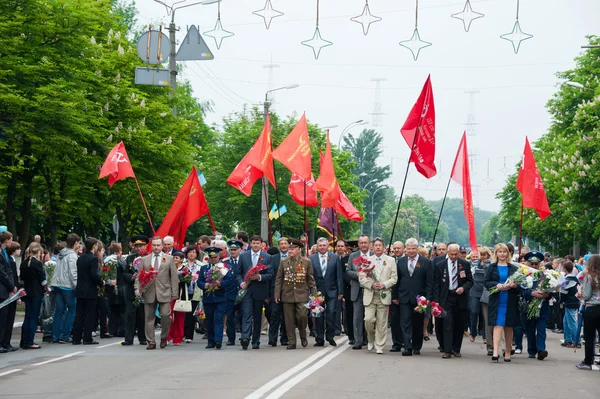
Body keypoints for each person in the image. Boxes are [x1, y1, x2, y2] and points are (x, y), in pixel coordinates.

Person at [135, 236, 178, 350]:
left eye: (158, 245)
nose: (156, 247)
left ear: (162, 246)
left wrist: (175, 293)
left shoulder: (169, 258)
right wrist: (137, 288)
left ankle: (164, 337)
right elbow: (139, 276)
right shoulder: (145, 259)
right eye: (154, 245)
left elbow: (174, 277)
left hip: (165, 291)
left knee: (165, 315)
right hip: (149, 291)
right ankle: (151, 341)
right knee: (149, 317)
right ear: (151, 246)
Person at [274, 238, 316, 350]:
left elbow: (311, 279)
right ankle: (292, 342)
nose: (290, 250)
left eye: (292, 249)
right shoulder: (283, 262)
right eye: (289, 248)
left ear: (298, 249)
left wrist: (315, 295)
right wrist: (277, 294)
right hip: (287, 294)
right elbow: (279, 278)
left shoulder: (306, 261)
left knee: (302, 316)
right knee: (289, 320)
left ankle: (303, 335)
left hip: (302, 294)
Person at [393, 238, 433, 356]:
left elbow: (429, 282)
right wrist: (395, 296)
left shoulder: (426, 262)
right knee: (405, 322)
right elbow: (397, 280)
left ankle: (416, 346)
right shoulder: (400, 262)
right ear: (405, 249)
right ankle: (407, 347)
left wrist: (429, 297)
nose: (411, 251)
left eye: (413, 249)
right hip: (403, 297)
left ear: (417, 249)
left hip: (420, 299)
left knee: (418, 323)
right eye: (409, 249)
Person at [433, 243, 473, 359]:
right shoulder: (441, 265)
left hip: (460, 297)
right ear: (448, 253)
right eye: (452, 254)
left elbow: (470, 281)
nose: (454, 256)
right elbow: (437, 284)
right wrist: (436, 301)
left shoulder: (464, 264)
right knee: (447, 324)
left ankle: (456, 349)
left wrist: (463, 288)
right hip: (446, 297)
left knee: (459, 324)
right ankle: (447, 350)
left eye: (456, 254)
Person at [359, 238, 397, 354]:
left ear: (384, 247)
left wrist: (384, 284)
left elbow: (394, 278)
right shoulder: (367, 260)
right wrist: (371, 284)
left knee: (382, 322)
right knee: (368, 320)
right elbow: (361, 277)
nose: (378, 247)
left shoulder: (390, 260)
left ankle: (380, 345)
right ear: (372, 247)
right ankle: (371, 338)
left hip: (384, 295)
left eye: (380, 245)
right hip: (370, 294)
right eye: (376, 245)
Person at [483, 244, 519, 362]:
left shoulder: (513, 268)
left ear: (507, 253)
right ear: (496, 253)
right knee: (497, 325)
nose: (502, 254)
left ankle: (507, 351)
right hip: (496, 299)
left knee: (508, 327)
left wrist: (514, 285)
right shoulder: (491, 267)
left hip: (510, 300)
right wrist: (496, 285)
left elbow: (520, 286)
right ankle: (495, 351)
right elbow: (486, 283)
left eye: (504, 252)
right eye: (500, 252)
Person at [236, 235, 272, 350]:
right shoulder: (243, 256)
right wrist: (241, 282)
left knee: (257, 317)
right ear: (250, 244)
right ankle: (245, 338)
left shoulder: (267, 257)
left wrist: (260, 277)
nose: (256, 245)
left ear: (261, 244)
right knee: (246, 314)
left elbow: (270, 274)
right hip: (247, 290)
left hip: (260, 291)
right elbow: (238, 273)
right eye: (254, 243)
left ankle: (255, 341)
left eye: (258, 243)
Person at [309, 237, 343, 347]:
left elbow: (339, 276)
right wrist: (311, 291)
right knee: (318, 315)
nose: (322, 247)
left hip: (332, 291)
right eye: (320, 245)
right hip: (317, 292)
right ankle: (319, 338)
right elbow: (309, 277)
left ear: (328, 246)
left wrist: (340, 291)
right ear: (317, 247)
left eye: (324, 245)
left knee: (331, 314)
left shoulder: (334, 258)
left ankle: (330, 336)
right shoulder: (311, 259)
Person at [197, 247, 234, 349]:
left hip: (220, 297)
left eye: (215, 257)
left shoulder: (224, 268)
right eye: (211, 257)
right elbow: (199, 281)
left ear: (219, 256)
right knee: (209, 320)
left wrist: (220, 283)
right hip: (208, 298)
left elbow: (229, 280)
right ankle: (210, 341)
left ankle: (218, 340)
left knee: (218, 319)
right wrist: (204, 285)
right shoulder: (204, 268)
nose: (213, 259)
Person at [72, 237, 104, 345]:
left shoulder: (80, 258)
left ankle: (76, 338)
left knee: (79, 314)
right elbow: (94, 275)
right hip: (90, 290)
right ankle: (87, 338)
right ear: (94, 246)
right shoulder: (93, 259)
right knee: (89, 314)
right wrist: (101, 282)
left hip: (80, 289)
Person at [49, 233, 80, 344]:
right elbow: (73, 273)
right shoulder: (72, 255)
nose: (79, 245)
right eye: (79, 242)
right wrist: (76, 286)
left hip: (57, 284)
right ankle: (65, 335)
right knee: (72, 309)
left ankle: (56, 335)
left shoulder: (61, 254)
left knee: (59, 311)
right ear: (75, 242)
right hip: (67, 286)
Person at [522, 250, 550, 360]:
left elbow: (552, 290)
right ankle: (532, 350)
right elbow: (521, 290)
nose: (534, 266)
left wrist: (546, 294)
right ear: (527, 263)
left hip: (543, 306)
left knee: (541, 328)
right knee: (530, 328)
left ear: (540, 264)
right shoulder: (523, 274)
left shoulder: (546, 275)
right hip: (529, 305)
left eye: (536, 264)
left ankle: (541, 350)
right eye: (531, 263)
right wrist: (531, 293)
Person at [346, 234, 372, 349]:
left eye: (365, 242)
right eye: (361, 243)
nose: (363, 245)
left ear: (369, 243)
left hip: (370, 290)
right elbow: (348, 271)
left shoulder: (373, 256)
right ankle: (358, 340)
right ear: (358, 244)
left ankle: (370, 339)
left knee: (370, 317)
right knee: (357, 317)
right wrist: (358, 274)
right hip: (357, 290)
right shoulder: (353, 256)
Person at [19, 242, 47, 349]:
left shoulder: (24, 263)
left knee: (27, 316)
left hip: (27, 291)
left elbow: (21, 278)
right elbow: (42, 279)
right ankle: (30, 341)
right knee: (34, 317)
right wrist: (47, 288)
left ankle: (24, 340)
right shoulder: (37, 263)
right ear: (39, 251)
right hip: (36, 292)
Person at [121, 235, 148, 346]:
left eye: (141, 246)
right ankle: (129, 338)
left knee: (142, 315)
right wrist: (132, 277)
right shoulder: (129, 258)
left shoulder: (149, 257)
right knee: (130, 314)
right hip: (131, 291)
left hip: (144, 290)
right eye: (137, 246)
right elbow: (125, 273)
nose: (139, 248)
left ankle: (143, 338)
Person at [576, 255, 600, 370]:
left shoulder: (589, 277)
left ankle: (588, 361)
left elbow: (586, 295)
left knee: (589, 336)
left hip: (592, 308)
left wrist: (579, 291)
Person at [267, 238, 289, 347]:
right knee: (274, 314)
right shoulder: (273, 258)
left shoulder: (292, 257)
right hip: (275, 290)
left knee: (286, 315)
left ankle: (284, 337)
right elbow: (270, 275)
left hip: (288, 291)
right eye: (281, 244)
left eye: (285, 244)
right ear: (279, 246)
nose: (284, 246)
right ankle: (272, 338)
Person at [0, 232, 18, 353]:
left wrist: (12, 287)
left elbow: (9, 271)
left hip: (6, 289)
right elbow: (2, 273)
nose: (11, 242)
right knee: (2, 319)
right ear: (6, 240)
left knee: (6, 318)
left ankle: (5, 343)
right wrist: (11, 286)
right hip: (2, 290)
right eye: (10, 240)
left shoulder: (4, 253)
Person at [223, 240, 243, 346]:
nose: (233, 252)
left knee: (243, 315)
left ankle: (244, 336)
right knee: (230, 317)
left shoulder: (244, 260)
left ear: (240, 250)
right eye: (231, 250)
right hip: (230, 293)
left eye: (235, 250)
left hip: (242, 292)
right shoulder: (225, 262)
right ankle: (231, 338)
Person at [183, 245, 203, 343]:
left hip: (196, 291)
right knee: (183, 313)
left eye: (194, 252)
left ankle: (189, 335)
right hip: (183, 291)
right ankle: (181, 333)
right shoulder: (182, 263)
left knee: (191, 315)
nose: (191, 254)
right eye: (190, 252)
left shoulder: (201, 265)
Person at [167, 251, 188, 346]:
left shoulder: (185, 270)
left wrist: (182, 280)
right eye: (174, 257)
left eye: (177, 258)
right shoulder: (168, 268)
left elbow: (188, 282)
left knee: (179, 318)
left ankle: (178, 338)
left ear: (182, 259)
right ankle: (167, 337)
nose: (175, 259)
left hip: (180, 295)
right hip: (169, 295)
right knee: (168, 316)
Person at [106, 243, 125, 338]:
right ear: (119, 251)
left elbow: (105, 274)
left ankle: (112, 330)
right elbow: (125, 272)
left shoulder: (107, 261)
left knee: (113, 311)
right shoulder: (120, 261)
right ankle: (121, 330)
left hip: (110, 289)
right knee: (122, 311)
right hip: (121, 288)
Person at [559, 261, 580, 348]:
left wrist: (560, 301)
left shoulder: (565, 280)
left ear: (564, 269)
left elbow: (563, 293)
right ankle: (568, 339)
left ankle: (577, 341)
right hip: (575, 301)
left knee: (571, 323)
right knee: (566, 321)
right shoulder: (576, 279)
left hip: (569, 303)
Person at [336, 240, 353, 343]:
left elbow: (347, 272)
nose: (340, 248)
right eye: (338, 246)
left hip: (348, 288)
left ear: (345, 248)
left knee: (348, 312)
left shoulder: (348, 258)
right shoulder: (332, 258)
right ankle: (336, 328)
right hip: (336, 288)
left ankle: (348, 330)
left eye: (342, 246)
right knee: (336, 310)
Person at [390, 241, 405, 352]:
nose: (396, 250)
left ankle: (406, 340)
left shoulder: (407, 260)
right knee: (394, 321)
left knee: (405, 320)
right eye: (394, 248)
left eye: (399, 248)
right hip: (393, 294)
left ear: (403, 249)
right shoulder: (390, 261)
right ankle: (396, 343)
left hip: (406, 295)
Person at [469, 250, 487, 343]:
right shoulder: (474, 263)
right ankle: (473, 333)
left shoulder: (490, 264)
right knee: (474, 311)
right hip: (474, 290)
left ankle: (485, 336)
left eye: (485, 255)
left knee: (484, 314)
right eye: (482, 254)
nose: (483, 256)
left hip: (485, 291)